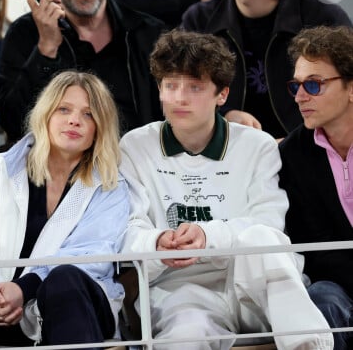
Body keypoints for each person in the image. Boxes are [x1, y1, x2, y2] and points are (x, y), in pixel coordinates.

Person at [119, 29, 333, 349]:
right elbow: (127, 229)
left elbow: (269, 224)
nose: (179, 98)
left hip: (253, 286)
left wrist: (208, 236)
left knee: (261, 237)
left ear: (222, 95)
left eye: (194, 87)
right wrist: (157, 240)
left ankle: (309, 345)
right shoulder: (135, 146)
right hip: (181, 293)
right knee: (185, 334)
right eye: (170, 85)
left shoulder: (257, 145)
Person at [0, 71, 129, 349]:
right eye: (63, 109)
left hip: (72, 308)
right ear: (45, 115)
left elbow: (92, 255)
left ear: (99, 127)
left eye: (89, 114)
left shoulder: (111, 184)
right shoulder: (1, 169)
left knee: (65, 279)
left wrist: (26, 288)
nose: (74, 120)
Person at [0, 0, 166, 143]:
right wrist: (46, 50)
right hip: (55, 166)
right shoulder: (26, 33)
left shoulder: (149, 34)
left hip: (135, 163)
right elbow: (13, 123)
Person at [181, 0, 352, 140]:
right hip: (231, 157)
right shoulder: (199, 21)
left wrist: (294, 147)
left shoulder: (323, 19)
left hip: (310, 155)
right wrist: (223, 116)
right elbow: (181, 95)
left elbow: (344, 101)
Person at [279, 25, 353, 350]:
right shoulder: (291, 155)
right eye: (296, 85)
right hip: (334, 286)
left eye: (314, 84)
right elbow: (307, 248)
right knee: (320, 298)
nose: (299, 97)